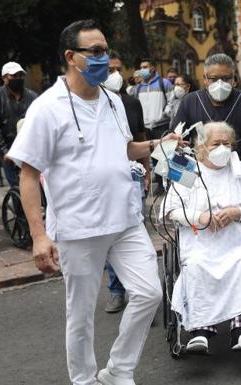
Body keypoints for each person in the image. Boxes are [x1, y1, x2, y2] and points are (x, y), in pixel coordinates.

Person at [7, 20, 182, 385]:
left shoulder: (113, 100)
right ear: (72, 57)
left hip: (126, 219)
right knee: (81, 315)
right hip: (78, 228)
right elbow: (27, 174)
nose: (106, 59)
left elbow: (124, 148)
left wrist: (155, 146)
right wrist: (39, 236)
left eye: (107, 50)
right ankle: (85, 381)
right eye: (96, 52)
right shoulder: (47, 107)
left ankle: (118, 370)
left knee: (149, 293)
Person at [161, 122, 241, 352]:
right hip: (199, 243)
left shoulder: (239, 169)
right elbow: (168, 211)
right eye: (216, 144)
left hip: (234, 242)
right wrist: (201, 217)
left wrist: (235, 212)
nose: (222, 148)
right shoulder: (187, 168)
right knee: (196, 266)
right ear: (201, 147)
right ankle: (200, 332)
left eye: (226, 143)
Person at [170, 53, 241, 175]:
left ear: (233, 79)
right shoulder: (190, 102)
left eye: (226, 78)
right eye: (214, 79)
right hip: (201, 177)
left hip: (238, 175)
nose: (220, 83)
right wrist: (187, 178)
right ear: (205, 78)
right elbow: (175, 142)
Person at [102, 51, 150, 314]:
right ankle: (116, 291)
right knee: (112, 238)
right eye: (110, 69)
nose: (115, 75)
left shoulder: (131, 102)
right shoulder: (94, 103)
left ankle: (139, 295)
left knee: (134, 236)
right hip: (107, 183)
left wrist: (147, 171)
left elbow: (139, 137)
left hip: (133, 176)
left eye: (118, 69)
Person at [0, 61, 37, 187]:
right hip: (8, 147)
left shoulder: (32, 96)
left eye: (20, 75)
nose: (18, 79)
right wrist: (4, 151)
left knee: (33, 184)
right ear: (4, 78)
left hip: (29, 147)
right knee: (15, 185)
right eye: (14, 76)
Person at [136, 58, 174, 196]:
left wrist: (165, 114)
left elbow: (171, 100)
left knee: (163, 155)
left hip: (160, 124)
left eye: (145, 66)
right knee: (152, 156)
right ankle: (159, 183)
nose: (142, 69)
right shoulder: (139, 87)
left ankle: (169, 183)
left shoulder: (163, 83)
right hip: (146, 126)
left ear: (152, 68)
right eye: (141, 67)